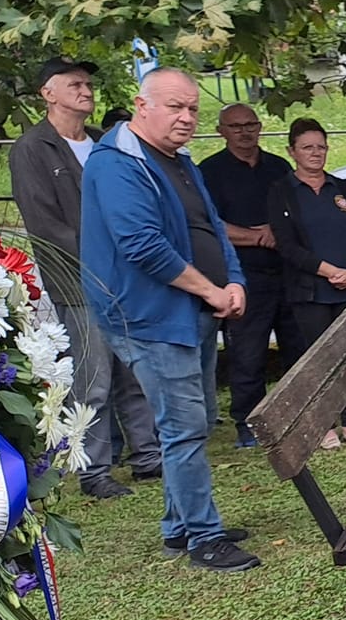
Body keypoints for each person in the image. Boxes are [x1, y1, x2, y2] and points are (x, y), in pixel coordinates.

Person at [79, 69, 259, 571]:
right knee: (183, 428)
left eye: (193, 109)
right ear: (142, 106)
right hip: (150, 316)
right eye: (175, 107)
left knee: (194, 420)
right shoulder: (116, 164)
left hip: (194, 311)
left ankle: (179, 527)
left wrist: (234, 280)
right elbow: (141, 245)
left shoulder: (179, 160)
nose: (186, 118)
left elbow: (211, 227)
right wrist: (211, 289)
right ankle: (204, 537)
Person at [7, 54, 161, 499]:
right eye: (73, 84)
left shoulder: (102, 142)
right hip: (79, 281)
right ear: (48, 93)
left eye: (87, 84)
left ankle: (147, 455)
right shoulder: (33, 149)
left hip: (127, 278)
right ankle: (94, 470)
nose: (85, 90)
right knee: (93, 378)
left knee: (134, 370)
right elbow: (45, 224)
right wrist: (103, 262)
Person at [268, 119, 346, 446]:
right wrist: (329, 272)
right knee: (317, 361)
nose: (315, 153)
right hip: (310, 291)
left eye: (321, 147)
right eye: (307, 147)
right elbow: (287, 245)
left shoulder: (343, 188)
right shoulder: (282, 192)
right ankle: (324, 426)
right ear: (292, 151)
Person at [197, 104, 295, 445]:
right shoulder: (209, 172)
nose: (245, 132)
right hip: (242, 275)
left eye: (251, 124)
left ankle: (293, 416)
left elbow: (294, 212)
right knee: (247, 355)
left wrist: (277, 231)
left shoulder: (279, 167)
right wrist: (257, 236)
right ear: (221, 131)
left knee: (296, 349)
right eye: (236, 126)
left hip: (286, 270)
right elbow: (210, 224)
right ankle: (249, 425)